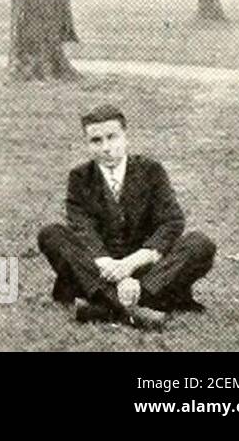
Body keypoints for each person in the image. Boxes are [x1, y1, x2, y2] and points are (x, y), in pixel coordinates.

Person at [38, 104, 216, 331]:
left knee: (200, 243)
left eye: (112, 137)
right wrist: (109, 265)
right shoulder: (80, 177)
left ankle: (107, 307)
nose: (106, 148)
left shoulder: (151, 170)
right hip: (99, 272)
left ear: (126, 137)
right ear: (87, 144)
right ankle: (131, 310)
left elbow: (172, 222)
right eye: (96, 141)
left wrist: (131, 264)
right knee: (51, 234)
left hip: (146, 271)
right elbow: (82, 227)